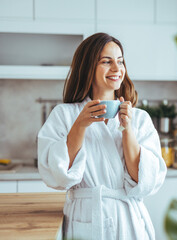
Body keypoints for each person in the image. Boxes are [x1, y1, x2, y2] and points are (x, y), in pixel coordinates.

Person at [37, 32, 167, 240]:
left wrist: (128, 129)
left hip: (128, 223)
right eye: (107, 62)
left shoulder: (139, 119)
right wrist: (80, 125)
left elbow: (143, 181)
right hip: (86, 218)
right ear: (88, 67)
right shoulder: (65, 115)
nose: (117, 69)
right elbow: (58, 176)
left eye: (120, 61)